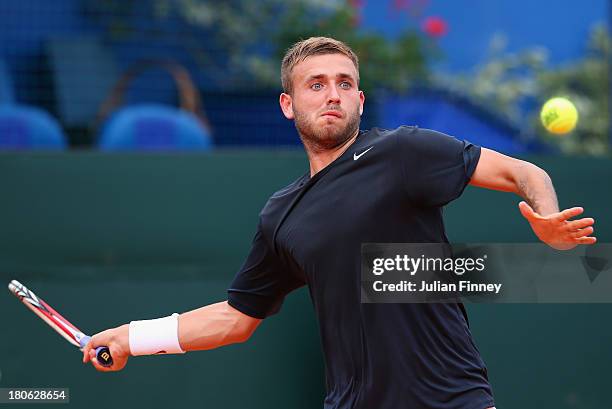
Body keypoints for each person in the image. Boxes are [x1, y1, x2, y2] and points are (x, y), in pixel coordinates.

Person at [83, 37, 596, 409]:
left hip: (452, 399)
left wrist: (547, 218)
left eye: (344, 83)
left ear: (359, 100)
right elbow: (235, 320)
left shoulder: (403, 151)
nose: (332, 94)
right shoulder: (281, 215)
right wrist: (132, 337)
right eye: (317, 84)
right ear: (289, 105)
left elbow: (523, 171)